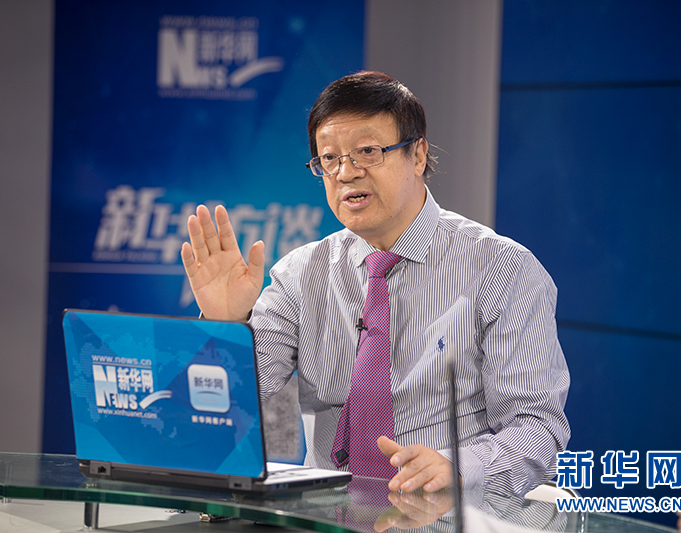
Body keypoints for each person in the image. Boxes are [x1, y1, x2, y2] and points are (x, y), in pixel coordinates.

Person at [180, 71, 570, 496]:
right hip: (327, 515)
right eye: (329, 159)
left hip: (450, 513)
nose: (346, 173)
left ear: (417, 155)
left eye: (367, 152)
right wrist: (225, 325)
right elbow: (226, 404)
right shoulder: (300, 274)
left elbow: (538, 428)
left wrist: (457, 468)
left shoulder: (503, 270)